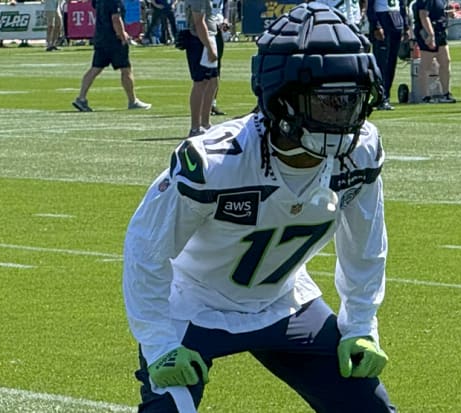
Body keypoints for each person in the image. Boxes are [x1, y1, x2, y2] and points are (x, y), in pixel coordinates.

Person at [122, 2, 397, 412]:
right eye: (326, 102)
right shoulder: (215, 161)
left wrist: (360, 326)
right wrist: (159, 342)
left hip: (285, 304)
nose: (343, 118)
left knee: (370, 408)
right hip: (193, 305)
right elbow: (146, 247)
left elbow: (365, 246)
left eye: (352, 102)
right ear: (283, 100)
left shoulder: (360, 151)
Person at [72, 0, 151, 112]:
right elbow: (115, 18)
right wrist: (123, 35)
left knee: (95, 68)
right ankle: (132, 100)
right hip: (114, 40)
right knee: (126, 69)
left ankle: (81, 97)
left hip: (101, 37)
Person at [183, 0, 219, 137]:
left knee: (212, 81)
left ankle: (205, 123)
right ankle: (195, 127)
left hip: (208, 38)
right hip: (200, 41)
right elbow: (199, 22)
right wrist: (209, 47)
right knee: (201, 82)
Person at [367, 0, 409, 110]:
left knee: (391, 63)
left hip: (396, 21)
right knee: (381, 64)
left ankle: (386, 96)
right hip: (383, 19)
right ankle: (380, 97)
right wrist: (376, 25)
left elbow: (402, 5)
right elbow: (370, 7)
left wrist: (406, 25)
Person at [413, 0, 456, 103]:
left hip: (440, 31)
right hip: (428, 32)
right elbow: (423, 15)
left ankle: (446, 93)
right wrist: (431, 35)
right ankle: (425, 96)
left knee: (445, 61)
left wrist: (448, 14)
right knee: (426, 64)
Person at [208, 0, 229, 116]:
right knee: (205, 69)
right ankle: (205, 103)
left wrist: (225, 19)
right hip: (206, 28)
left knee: (216, 67)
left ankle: (212, 103)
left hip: (217, 29)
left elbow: (225, 3)